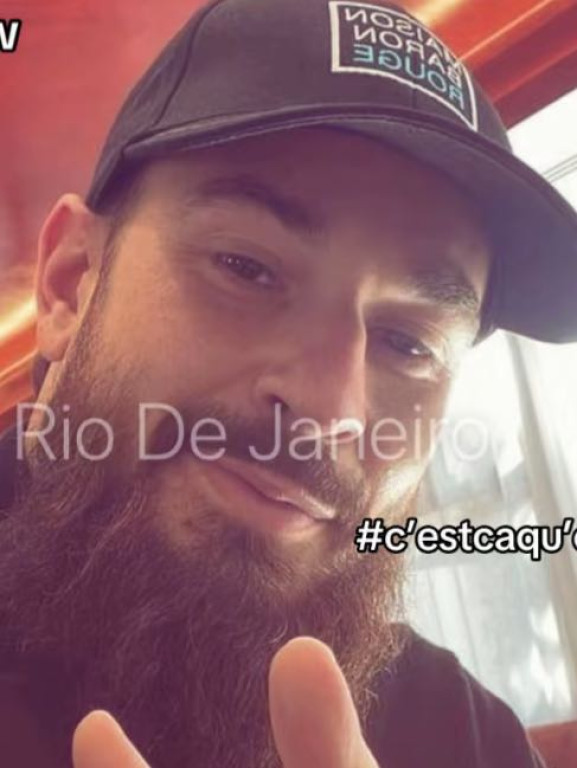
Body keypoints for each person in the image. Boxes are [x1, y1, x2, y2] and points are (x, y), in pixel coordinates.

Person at [1, 0, 576, 766]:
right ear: (70, 284)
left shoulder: (466, 740)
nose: (327, 406)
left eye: (408, 343)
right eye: (246, 268)